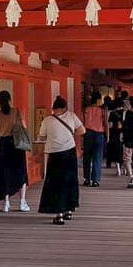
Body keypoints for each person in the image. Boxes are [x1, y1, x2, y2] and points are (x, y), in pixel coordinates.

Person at [37, 96, 84, 224]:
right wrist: (68, 136)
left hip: (55, 154)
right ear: (64, 108)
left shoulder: (47, 120)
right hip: (69, 153)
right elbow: (82, 130)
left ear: (54, 108)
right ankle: (69, 209)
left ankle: (59, 214)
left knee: (56, 183)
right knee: (70, 181)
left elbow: (41, 136)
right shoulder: (71, 116)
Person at [0, 90, 29, 212]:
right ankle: (22, 202)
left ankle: (6, 203)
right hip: (17, 144)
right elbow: (24, 127)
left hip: (4, 145)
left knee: (4, 172)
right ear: (9, 100)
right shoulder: (17, 112)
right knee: (21, 172)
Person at [82, 93, 106, 187]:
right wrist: (107, 136)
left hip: (87, 133)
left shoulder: (86, 110)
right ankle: (95, 180)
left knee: (87, 157)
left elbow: (83, 122)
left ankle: (87, 179)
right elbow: (105, 123)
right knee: (97, 157)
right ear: (98, 100)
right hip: (99, 134)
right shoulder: (102, 110)